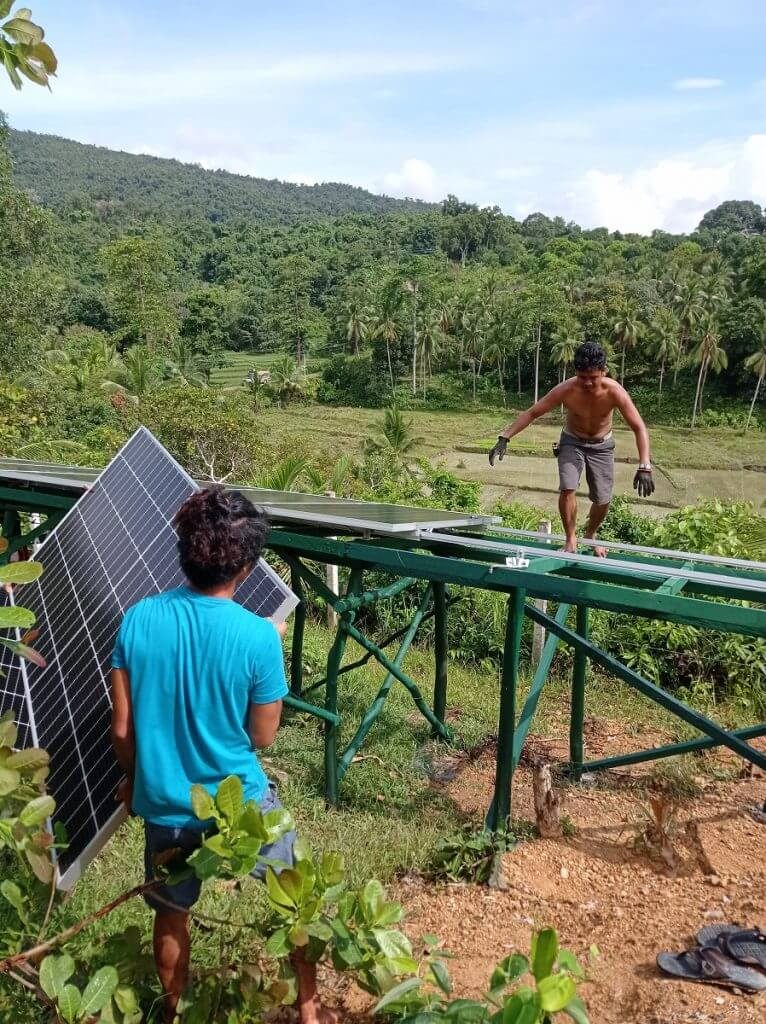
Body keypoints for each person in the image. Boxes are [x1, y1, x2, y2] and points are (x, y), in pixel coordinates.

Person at [110, 487, 335, 1024]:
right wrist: (266, 643)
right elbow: (262, 738)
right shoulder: (258, 636)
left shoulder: (136, 620)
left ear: (183, 550)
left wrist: (132, 780)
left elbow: (122, 729)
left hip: (165, 804)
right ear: (250, 567)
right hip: (240, 805)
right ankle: (309, 1011)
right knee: (297, 898)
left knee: (170, 914)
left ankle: (175, 1012)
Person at [488, 341, 654, 555]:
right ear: (575, 372)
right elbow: (533, 413)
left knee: (603, 499)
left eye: (593, 378)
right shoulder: (567, 389)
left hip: (602, 446)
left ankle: (591, 533)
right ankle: (570, 539)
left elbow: (639, 427)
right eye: (582, 377)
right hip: (572, 441)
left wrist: (645, 466)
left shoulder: (615, 392)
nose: (586, 383)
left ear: (604, 371)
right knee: (567, 487)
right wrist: (505, 437)